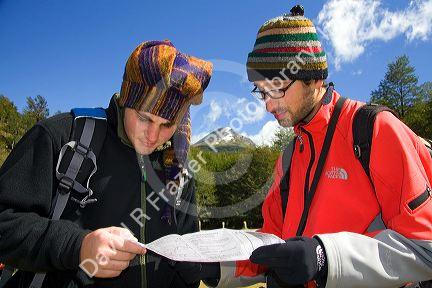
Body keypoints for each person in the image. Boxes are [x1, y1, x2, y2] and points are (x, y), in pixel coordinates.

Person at [212, 5, 432, 288]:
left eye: (276, 88)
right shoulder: (289, 158)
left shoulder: (374, 130)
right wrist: (216, 268)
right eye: (261, 90)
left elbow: (424, 247)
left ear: (315, 78)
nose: (267, 104)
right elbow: (271, 245)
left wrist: (325, 258)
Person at [0, 40, 216, 287]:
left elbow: (183, 254)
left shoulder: (178, 167)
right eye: (144, 118)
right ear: (126, 99)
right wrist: (79, 246)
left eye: (167, 125)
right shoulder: (64, 137)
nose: (153, 136)